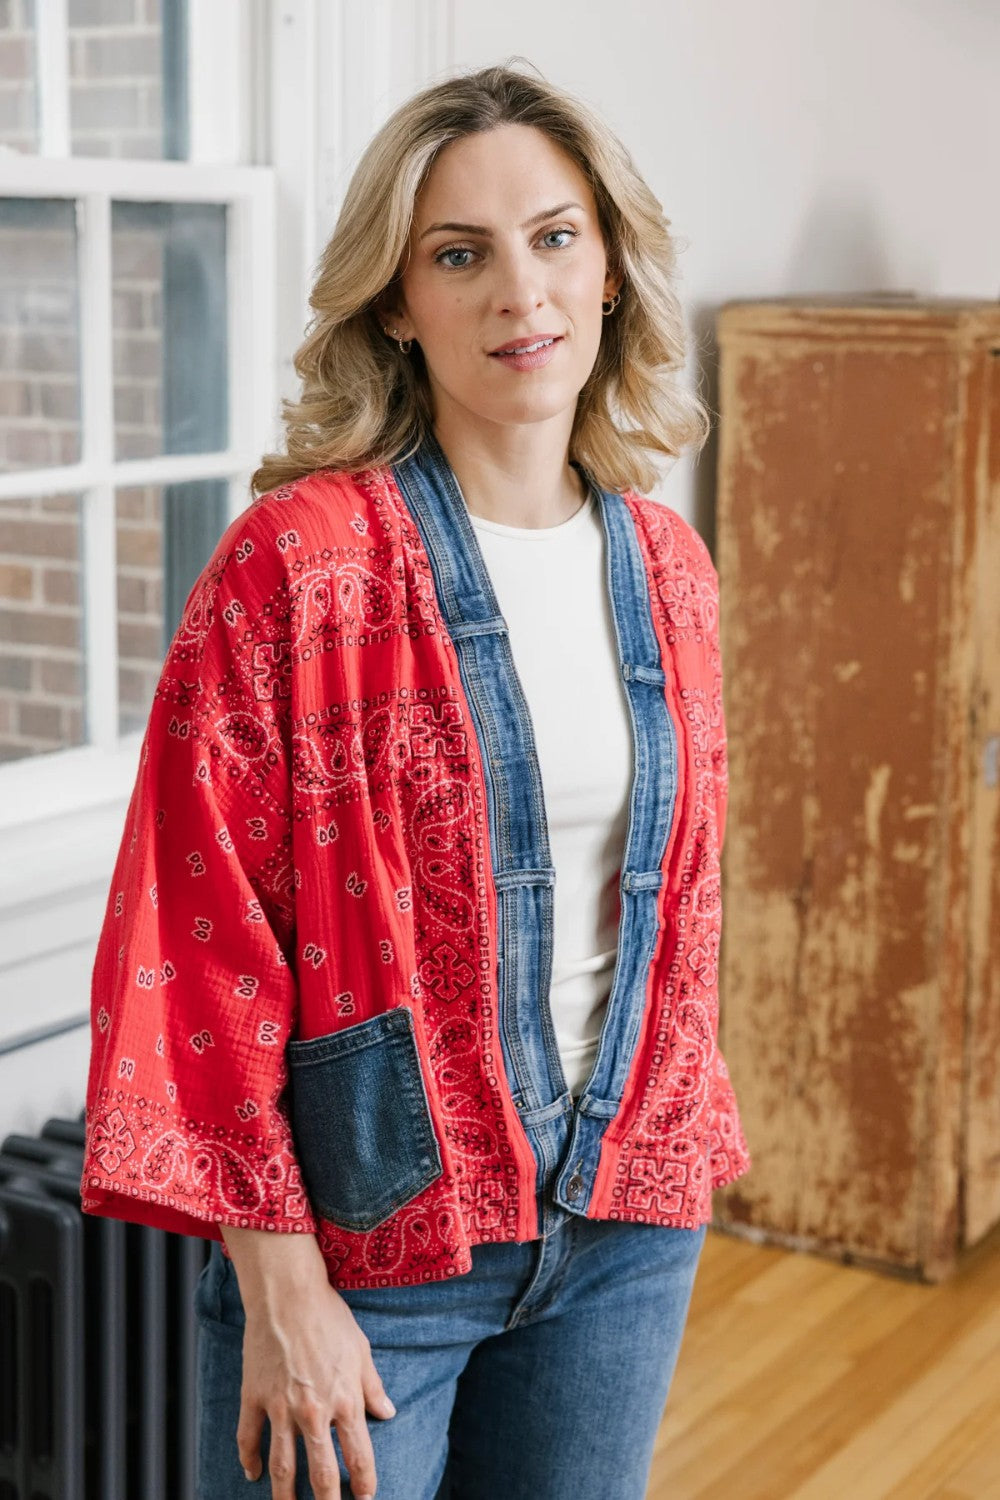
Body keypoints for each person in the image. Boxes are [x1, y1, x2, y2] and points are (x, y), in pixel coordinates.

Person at [79, 58, 751, 1500]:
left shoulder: (668, 571)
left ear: (615, 268)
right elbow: (191, 955)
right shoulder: (300, 567)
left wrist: (674, 1140)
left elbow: (669, 914)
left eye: (556, 236)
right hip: (368, 1258)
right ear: (398, 297)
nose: (525, 291)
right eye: (463, 253)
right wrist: (280, 1293)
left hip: (623, 1238)